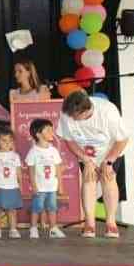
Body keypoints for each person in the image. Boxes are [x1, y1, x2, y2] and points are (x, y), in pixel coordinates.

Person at [57, 90, 128, 238]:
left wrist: (109, 161)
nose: (72, 119)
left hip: (110, 149)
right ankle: (89, 224)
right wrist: (85, 159)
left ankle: (111, 223)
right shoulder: (66, 113)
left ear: (86, 111)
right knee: (88, 180)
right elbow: (69, 140)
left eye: (75, 117)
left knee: (108, 179)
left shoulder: (108, 112)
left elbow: (122, 140)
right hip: (86, 152)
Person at [26, 119, 66, 239]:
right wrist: (34, 185)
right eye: (48, 130)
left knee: (52, 207)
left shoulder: (53, 150)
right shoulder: (33, 151)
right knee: (37, 207)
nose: (51, 132)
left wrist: (60, 185)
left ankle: (53, 228)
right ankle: (33, 228)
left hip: (51, 187)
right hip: (40, 187)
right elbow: (31, 170)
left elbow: (58, 168)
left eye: (51, 129)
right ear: (38, 134)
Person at [0, 127, 23, 239]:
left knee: (12, 210)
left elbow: (18, 172)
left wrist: (20, 185)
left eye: (10, 140)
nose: (7, 143)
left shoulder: (15, 156)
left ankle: (13, 229)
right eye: (4, 140)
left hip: (12, 187)